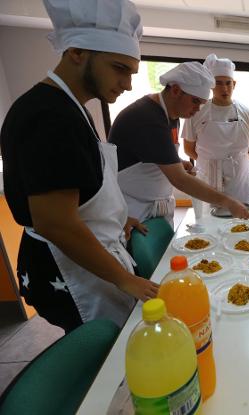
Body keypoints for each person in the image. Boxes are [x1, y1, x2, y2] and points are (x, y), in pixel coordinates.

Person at [0, 0, 159, 332]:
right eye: (120, 68)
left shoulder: (73, 109)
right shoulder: (48, 115)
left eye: (131, 72)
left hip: (91, 253)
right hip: (68, 271)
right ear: (76, 52)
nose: (128, 84)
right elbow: (55, 222)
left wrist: (114, 216)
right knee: (103, 359)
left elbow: (80, 186)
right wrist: (125, 280)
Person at [109, 61, 249, 226]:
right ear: (176, 90)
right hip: (133, 210)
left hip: (151, 205)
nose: (198, 109)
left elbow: (152, 155)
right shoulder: (147, 118)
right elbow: (180, 180)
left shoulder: (172, 115)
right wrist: (228, 202)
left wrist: (178, 163)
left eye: (202, 103)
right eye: (195, 101)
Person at [181, 53, 249, 217]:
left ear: (234, 84)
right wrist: (210, 163)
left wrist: (237, 163)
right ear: (210, 85)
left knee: (241, 222)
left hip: (240, 178)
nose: (224, 88)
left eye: (228, 83)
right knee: (208, 221)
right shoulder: (197, 112)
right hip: (208, 177)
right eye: (218, 83)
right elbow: (188, 149)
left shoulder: (247, 113)